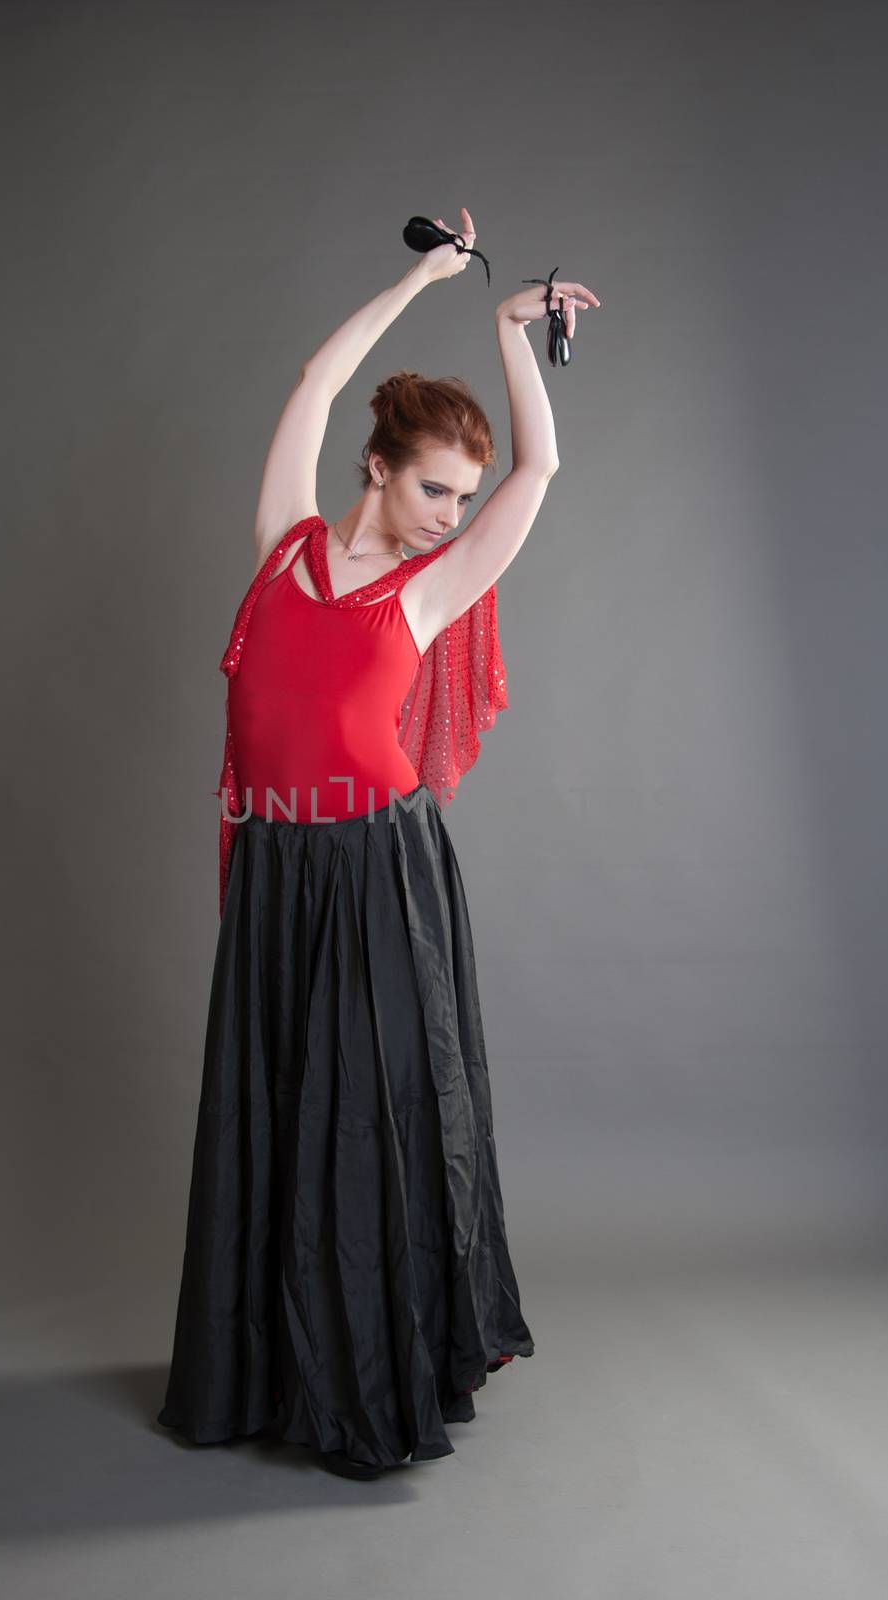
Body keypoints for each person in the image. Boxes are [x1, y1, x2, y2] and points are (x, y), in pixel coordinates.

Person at [156, 207, 601, 1480]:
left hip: (376, 876)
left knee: (371, 1124)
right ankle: (270, 1374)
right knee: (277, 1117)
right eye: (431, 489)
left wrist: (510, 330)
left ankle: (373, 1380)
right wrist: (422, 278)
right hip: (279, 877)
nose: (448, 514)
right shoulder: (282, 546)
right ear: (376, 469)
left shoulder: (430, 588)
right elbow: (316, 377)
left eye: (458, 497)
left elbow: (538, 477)